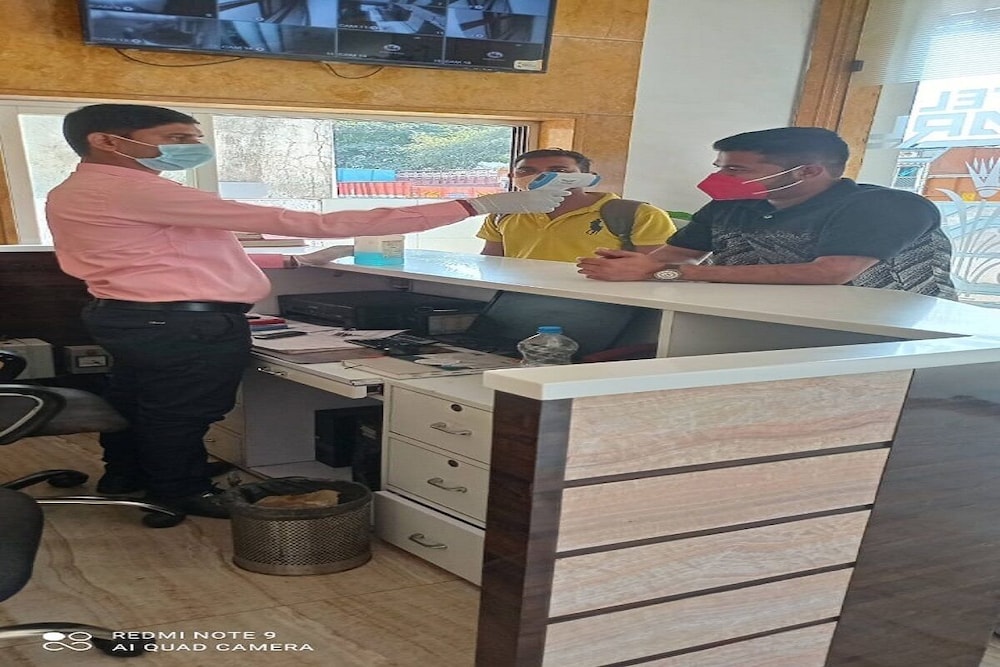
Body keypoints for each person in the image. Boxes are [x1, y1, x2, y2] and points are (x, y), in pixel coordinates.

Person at [45, 103, 567, 519]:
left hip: (133, 314)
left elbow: (176, 253)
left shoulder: (83, 188)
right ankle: (179, 491)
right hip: (180, 322)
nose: (191, 147)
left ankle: (127, 476)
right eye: (177, 138)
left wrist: (297, 262)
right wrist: (475, 205)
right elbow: (309, 221)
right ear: (107, 141)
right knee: (181, 411)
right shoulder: (133, 190)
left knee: (137, 401)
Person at [576, 127, 957, 300]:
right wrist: (629, 266)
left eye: (736, 169)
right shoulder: (730, 206)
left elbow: (829, 273)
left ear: (808, 171)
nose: (720, 178)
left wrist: (675, 273)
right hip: (767, 322)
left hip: (893, 339)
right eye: (721, 167)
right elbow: (671, 257)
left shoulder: (887, 207)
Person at [477, 148, 677, 262]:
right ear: (512, 177)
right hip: (516, 297)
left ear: (587, 176)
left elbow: (656, 269)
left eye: (559, 170)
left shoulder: (640, 215)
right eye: (526, 171)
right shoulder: (504, 213)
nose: (541, 177)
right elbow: (492, 263)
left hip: (600, 303)